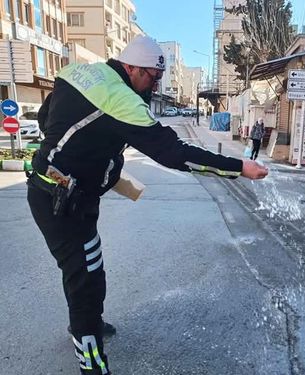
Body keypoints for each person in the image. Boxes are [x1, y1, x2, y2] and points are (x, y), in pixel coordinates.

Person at [26, 35, 268, 375]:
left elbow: (46, 113)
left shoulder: (81, 73)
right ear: (132, 68)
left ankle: (86, 326)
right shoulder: (122, 100)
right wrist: (239, 167)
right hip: (64, 204)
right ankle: (92, 362)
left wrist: (66, 156)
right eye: (153, 78)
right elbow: (175, 153)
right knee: (86, 282)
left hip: (57, 192)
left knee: (86, 270)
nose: (154, 86)